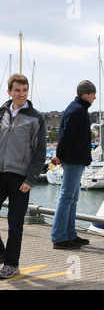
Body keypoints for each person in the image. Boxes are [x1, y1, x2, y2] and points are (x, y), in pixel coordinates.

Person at [0, 74, 47, 278]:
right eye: (17, 90)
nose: (22, 94)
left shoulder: (36, 117)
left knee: (15, 223)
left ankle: (11, 264)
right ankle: (2, 253)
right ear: (9, 91)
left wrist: (31, 179)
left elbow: (40, 152)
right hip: (0, 174)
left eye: (25, 90)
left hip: (21, 178)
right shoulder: (1, 112)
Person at [51, 80, 96, 250]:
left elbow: (66, 135)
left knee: (72, 199)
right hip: (74, 159)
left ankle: (69, 234)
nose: (94, 97)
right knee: (67, 198)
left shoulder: (76, 108)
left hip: (75, 159)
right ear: (85, 94)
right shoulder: (78, 111)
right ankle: (59, 237)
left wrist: (60, 156)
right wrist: (59, 156)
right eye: (92, 94)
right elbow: (66, 136)